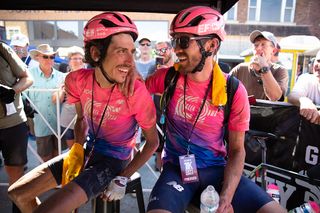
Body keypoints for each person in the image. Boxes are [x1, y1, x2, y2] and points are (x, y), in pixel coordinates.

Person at [126, 6, 286, 213]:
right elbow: (133, 88)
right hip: (176, 170)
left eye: (184, 42)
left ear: (211, 45)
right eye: (175, 41)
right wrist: (129, 73)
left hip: (218, 171)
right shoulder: (168, 77)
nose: (176, 49)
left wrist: (226, 198)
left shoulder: (233, 89)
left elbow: (237, 151)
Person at [8, 11, 158, 213]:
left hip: (115, 159)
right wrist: (77, 149)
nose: (131, 62)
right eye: (122, 51)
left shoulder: (135, 90)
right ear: (96, 54)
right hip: (88, 149)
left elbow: (153, 141)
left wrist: (123, 177)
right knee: (17, 193)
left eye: (132, 52)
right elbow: (81, 119)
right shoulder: (75, 80)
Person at [0, 42, 33, 213]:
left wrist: (12, 91)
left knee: (17, 175)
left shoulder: (2, 49)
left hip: (12, 124)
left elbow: (28, 78)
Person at [25, 44, 66, 162]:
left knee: (57, 157)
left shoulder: (61, 77)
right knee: (44, 160)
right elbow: (22, 97)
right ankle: (47, 180)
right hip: (40, 124)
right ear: (38, 57)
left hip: (58, 124)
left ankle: (55, 181)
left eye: (52, 57)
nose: (49, 60)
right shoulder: (29, 75)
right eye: (45, 57)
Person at [229, 30, 288, 101]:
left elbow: (275, 97)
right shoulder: (240, 69)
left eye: (263, 45)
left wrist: (263, 68)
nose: (258, 48)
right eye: (256, 45)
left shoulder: (279, 70)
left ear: (273, 51)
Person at [148, 40, 175, 171]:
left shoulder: (178, 67)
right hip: (158, 112)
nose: (160, 54)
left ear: (171, 49)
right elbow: (148, 89)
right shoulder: (154, 68)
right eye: (157, 51)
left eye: (163, 50)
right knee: (158, 147)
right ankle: (160, 173)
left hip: (174, 112)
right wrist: (158, 76)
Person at [60, 46, 86, 148]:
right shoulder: (63, 77)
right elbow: (59, 98)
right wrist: (62, 90)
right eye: (75, 58)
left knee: (84, 150)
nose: (78, 61)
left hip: (85, 118)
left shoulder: (89, 76)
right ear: (69, 61)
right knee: (72, 151)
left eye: (80, 58)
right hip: (68, 118)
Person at [287, 50, 320, 125]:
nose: (319, 65)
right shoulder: (306, 78)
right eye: (318, 61)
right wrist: (304, 100)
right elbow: (292, 96)